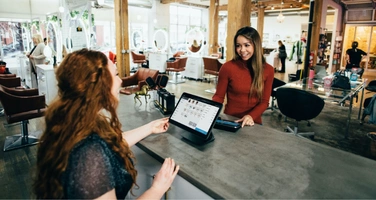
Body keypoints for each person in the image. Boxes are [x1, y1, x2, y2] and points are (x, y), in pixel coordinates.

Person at [33, 49, 179, 199]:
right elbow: (97, 148)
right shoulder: (88, 155)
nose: (120, 80)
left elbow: (111, 144)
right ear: (98, 85)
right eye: (116, 75)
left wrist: (150, 128)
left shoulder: (72, 121)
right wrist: (157, 188)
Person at [212, 26, 274, 127]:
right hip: (230, 120)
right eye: (238, 46)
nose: (242, 50)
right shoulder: (227, 67)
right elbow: (218, 97)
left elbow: (264, 102)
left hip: (253, 123)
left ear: (256, 45)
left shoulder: (268, 70)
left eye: (246, 45)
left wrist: (250, 116)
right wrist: (210, 112)